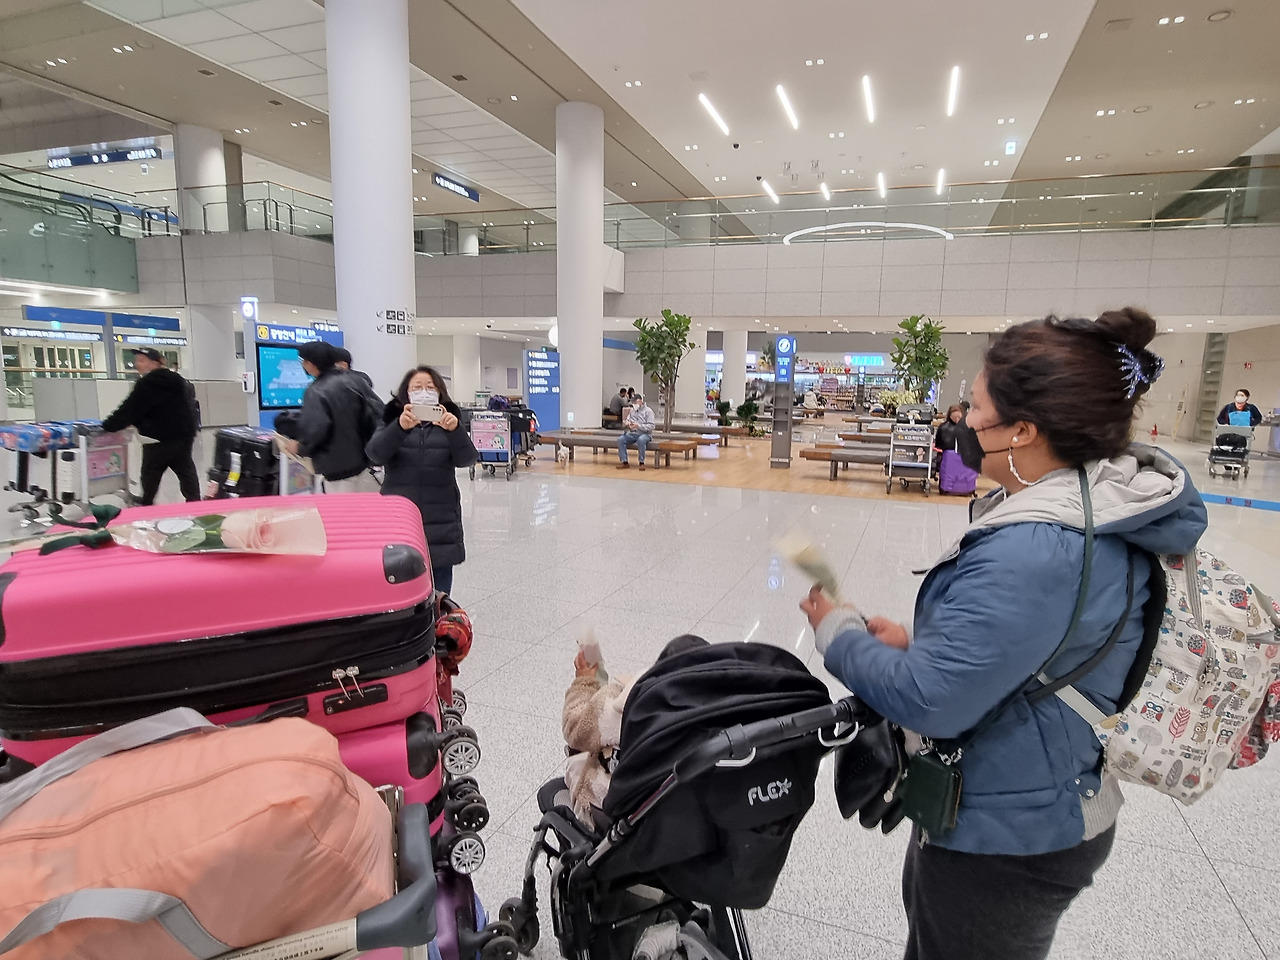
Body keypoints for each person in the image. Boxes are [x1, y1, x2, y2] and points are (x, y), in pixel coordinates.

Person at [799, 308, 1207, 960]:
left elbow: (932, 700)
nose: (962, 420)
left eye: (976, 408)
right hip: (1035, 792)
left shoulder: (1036, 548)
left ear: (1022, 430)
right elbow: (1032, 649)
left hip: (1010, 835)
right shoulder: (1082, 508)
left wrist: (838, 631)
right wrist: (919, 645)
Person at [563, 633, 708, 824]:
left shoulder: (624, 705)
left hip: (630, 817)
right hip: (696, 816)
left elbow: (573, 726)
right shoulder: (725, 713)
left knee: (575, 761)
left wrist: (585, 680)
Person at [365, 365, 477, 595]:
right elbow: (375, 454)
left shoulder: (449, 421)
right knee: (400, 582)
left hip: (441, 517)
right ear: (406, 393)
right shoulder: (391, 420)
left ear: (440, 392)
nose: (424, 392)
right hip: (400, 516)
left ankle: (439, 618)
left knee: (440, 589)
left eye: (430, 387)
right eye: (417, 387)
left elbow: (467, 459)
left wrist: (455, 431)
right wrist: (400, 428)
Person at [102, 348, 201, 506]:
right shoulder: (178, 380)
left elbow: (131, 409)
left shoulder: (147, 383)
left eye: (142, 361)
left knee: (151, 472)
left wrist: (108, 426)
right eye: (137, 361)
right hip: (183, 435)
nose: (137, 364)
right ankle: (195, 503)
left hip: (157, 437)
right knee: (185, 469)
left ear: (155, 363)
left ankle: (147, 504)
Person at [284, 340, 382, 492]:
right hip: (366, 464)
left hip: (337, 469)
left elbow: (316, 429)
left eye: (304, 361)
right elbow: (379, 410)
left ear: (311, 363)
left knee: (341, 506)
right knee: (367, 505)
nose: (303, 365)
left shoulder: (316, 391)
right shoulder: (356, 381)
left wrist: (300, 447)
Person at [616, 393, 655, 470]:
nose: (634, 404)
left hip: (645, 434)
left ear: (640, 401)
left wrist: (639, 426)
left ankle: (641, 462)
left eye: (635, 402)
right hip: (633, 433)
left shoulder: (648, 411)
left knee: (641, 440)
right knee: (621, 439)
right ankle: (624, 461)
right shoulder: (632, 411)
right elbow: (627, 419)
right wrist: (627, 423)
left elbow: (651, 426)